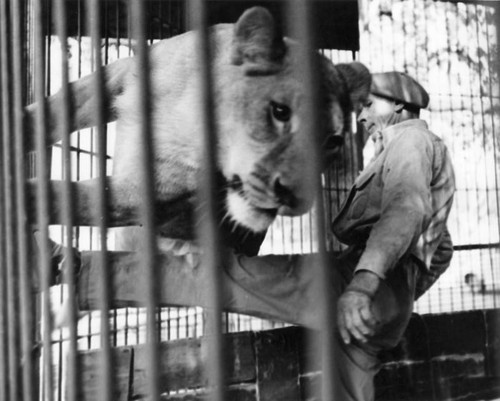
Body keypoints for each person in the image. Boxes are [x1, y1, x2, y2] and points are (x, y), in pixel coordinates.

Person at [41, 71, 455, 400]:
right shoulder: (418, 152)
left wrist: (364, 286)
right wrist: (398, 295)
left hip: (362, 285)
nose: (361, 116)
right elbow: (443, 250)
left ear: (400, 106)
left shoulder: (411, 141)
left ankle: (75, 269)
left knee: (224, 276)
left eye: (368, 106)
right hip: (386, 304)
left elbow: (405, 211)